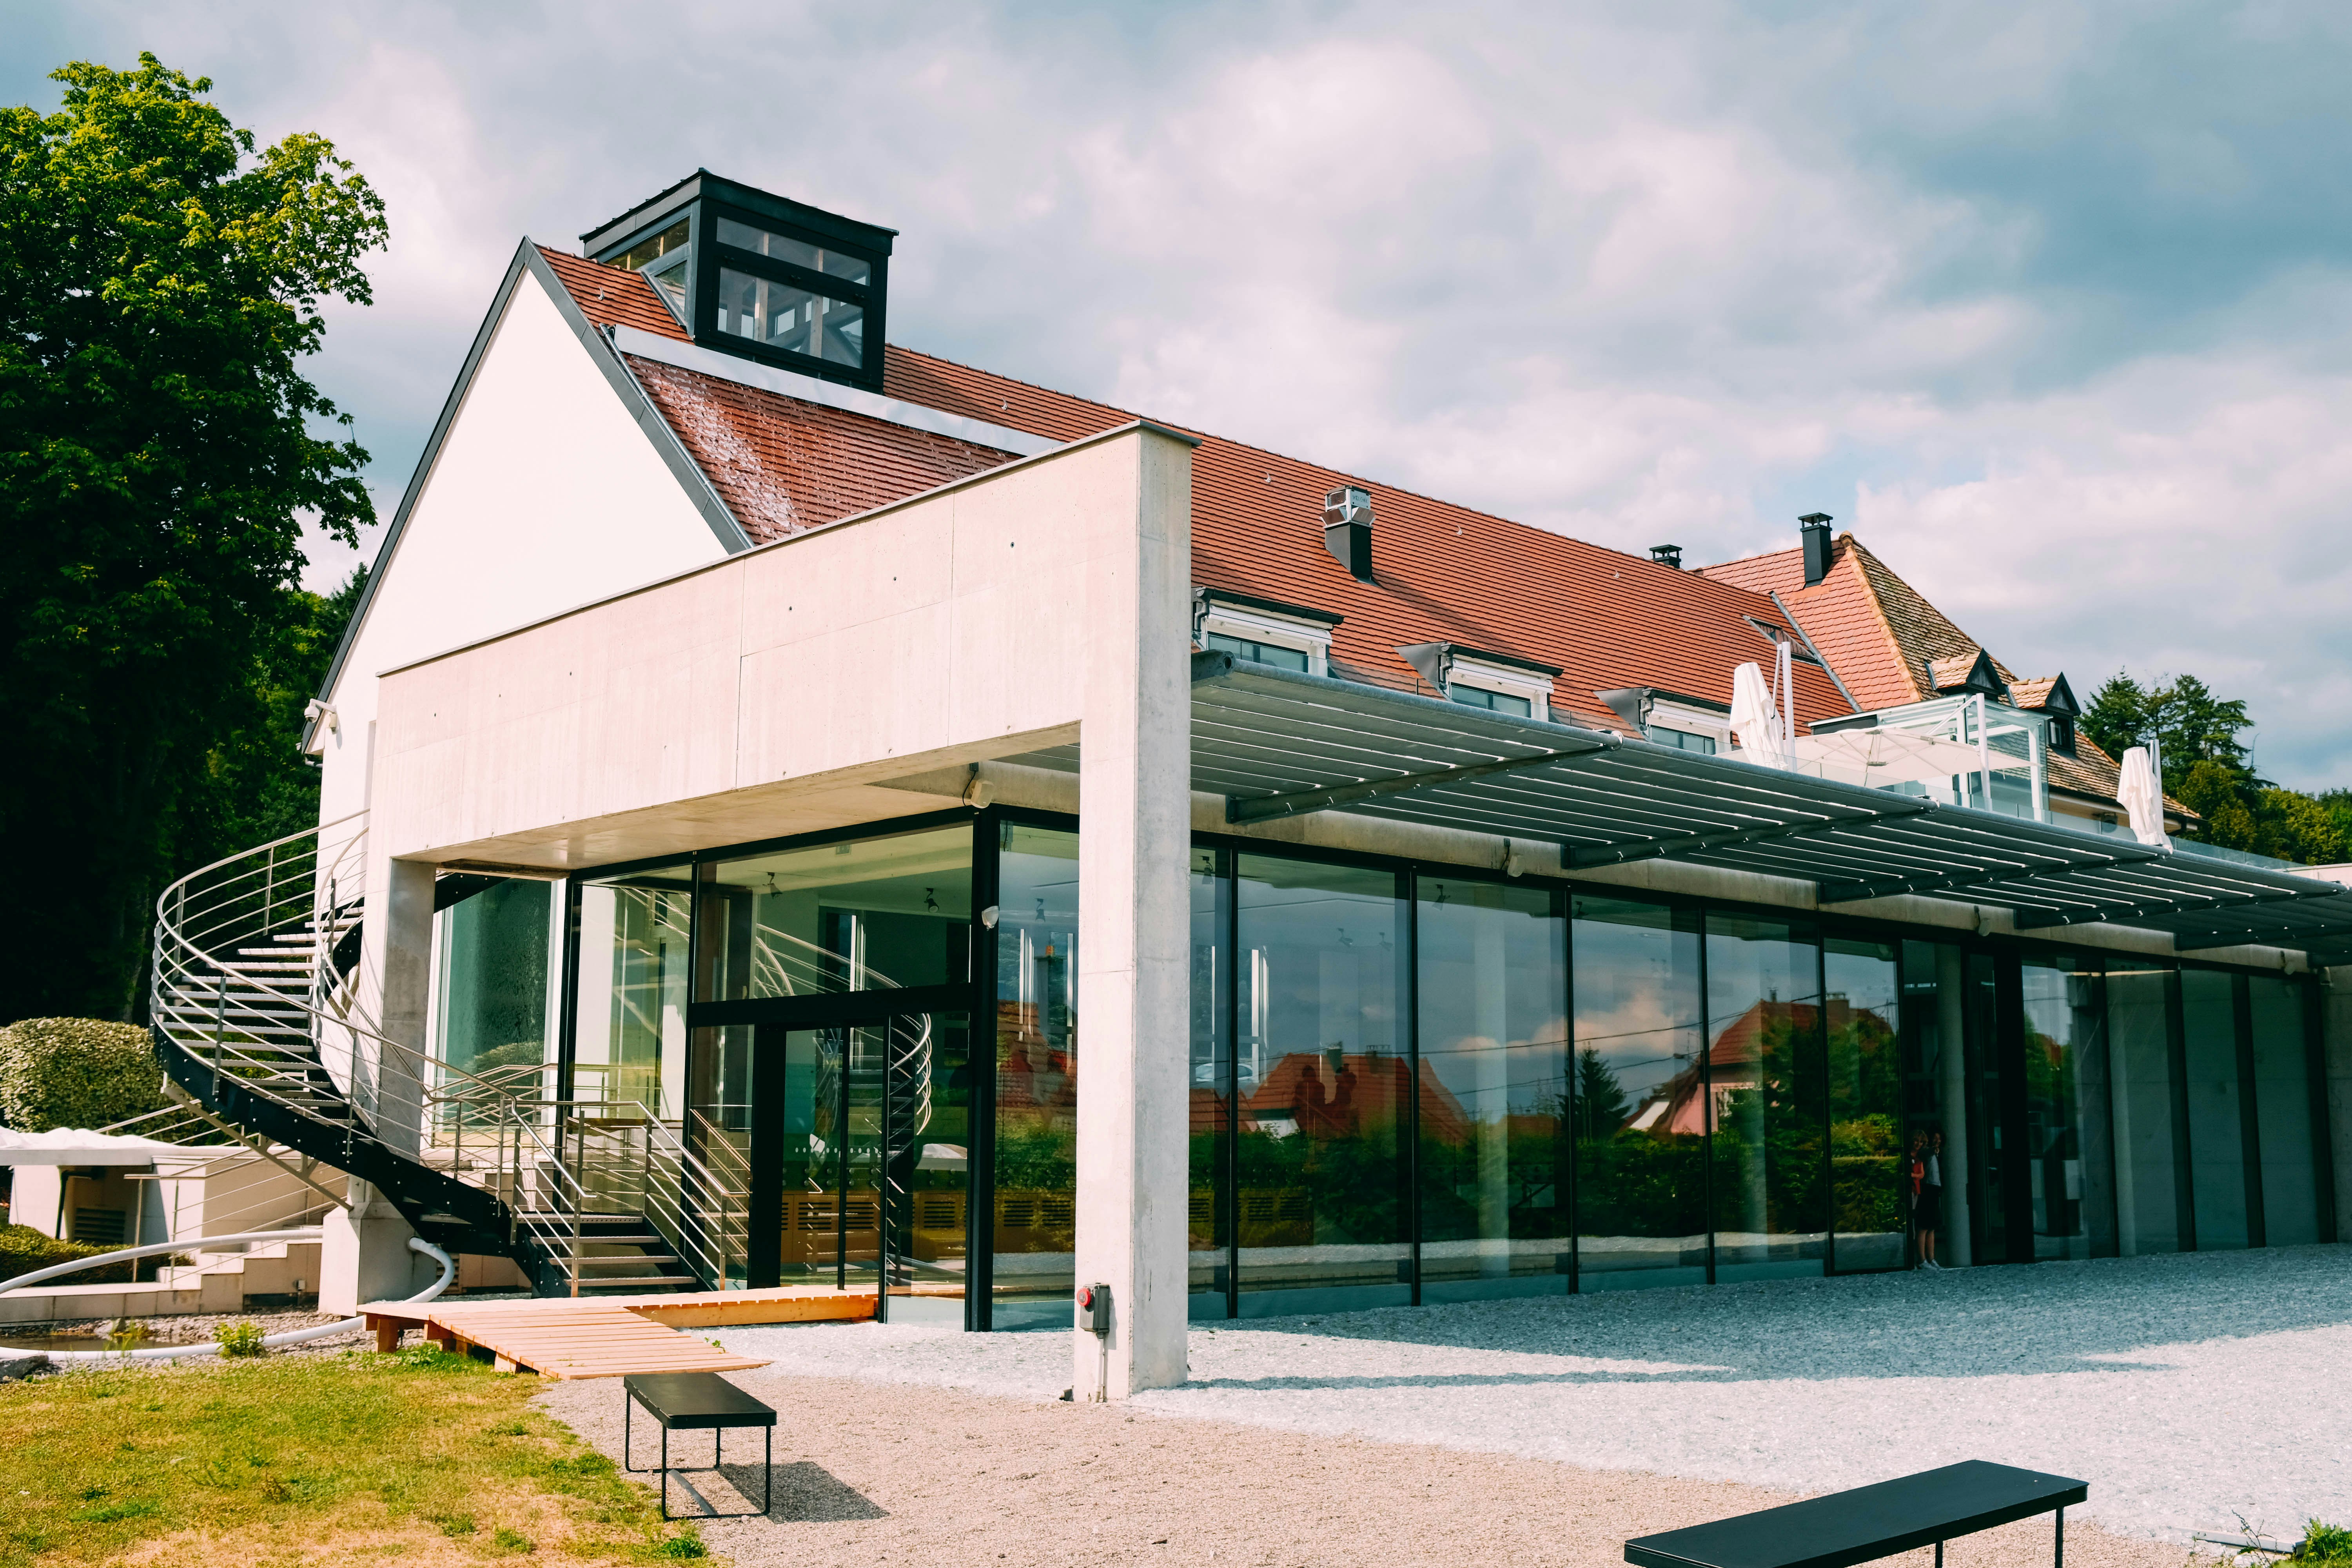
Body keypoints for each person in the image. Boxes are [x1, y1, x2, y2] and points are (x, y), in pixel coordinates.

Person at [1918, 1131, 1945, 1270]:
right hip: (1927, 1189)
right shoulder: (1926, 1152)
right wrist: (1933, 1150)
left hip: (1934, 1189)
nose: (1937, 1142)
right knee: (1924, 1226)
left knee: (1932, 1227)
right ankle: (1923, 1260)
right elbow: (1924, 1154)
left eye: (1939, 1140)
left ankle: (1931, 1258)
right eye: (1935, 1139)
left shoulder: (1936, 1154)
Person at [1907, 1131, 1927, 1268]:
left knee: (1914, 1223)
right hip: (1909, 1190)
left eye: (1921, 1142)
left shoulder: (1920, 1157)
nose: (1918, 1144)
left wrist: (1914, 1175)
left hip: (1916, 1192)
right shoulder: (1907, 1156)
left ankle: (1914, 1260)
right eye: (1916, 1141)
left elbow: (1922, 1174)